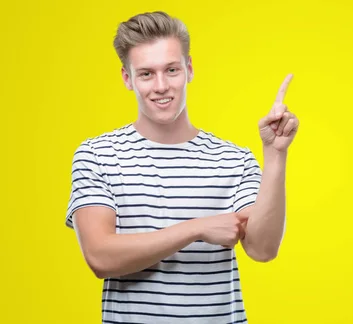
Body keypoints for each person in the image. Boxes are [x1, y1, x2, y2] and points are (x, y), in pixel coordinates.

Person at [65, 11, 299, 324]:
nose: (161, 86)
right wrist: (196, 228)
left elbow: (263, 249)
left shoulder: (233, 159)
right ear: (127, 78)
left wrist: (274, 155)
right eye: (146, 74)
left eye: (171, 70)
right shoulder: (98, 155)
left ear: (188, 69)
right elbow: (100, 257)